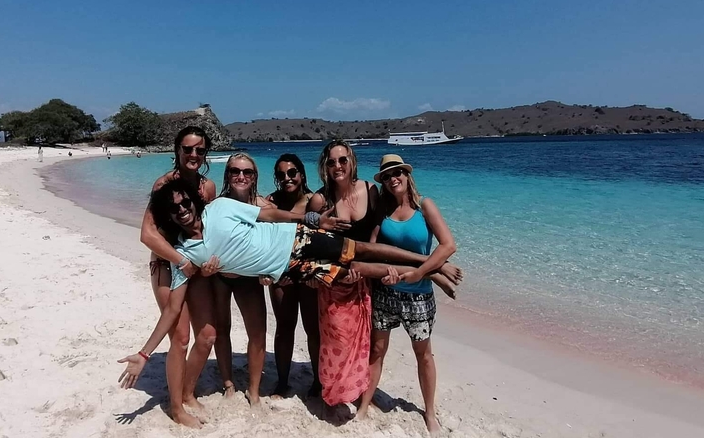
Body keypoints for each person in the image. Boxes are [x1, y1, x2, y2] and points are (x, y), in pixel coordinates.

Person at [117, 179, 462, 391]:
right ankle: (432, 270)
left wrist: (312, 219)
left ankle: (428, 264)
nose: (182, 210)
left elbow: (267, 215)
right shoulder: (185, 255)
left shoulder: (219, 207)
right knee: (353, 268)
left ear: (194, 201)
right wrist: (145, 353)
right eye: (174, 209)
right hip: (289, 271)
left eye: (185, 203)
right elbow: (173, 309)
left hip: (296, 239)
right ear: (169, 216)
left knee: (360, 249)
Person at [356, 155, 457, 432]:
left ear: (407, 175)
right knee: (377, 351)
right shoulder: (382, 211)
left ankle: (430, 412)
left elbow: (447, 246)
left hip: (419, 297)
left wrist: (421, 273)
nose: (393, 179)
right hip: (386, 294)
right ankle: (364, 406)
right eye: (387, 176)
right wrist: (383, 274)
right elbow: (373, 250)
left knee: (423, 354)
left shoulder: (425, 206)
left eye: (397, 172)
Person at [137, 126, 218, 428]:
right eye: (188, 149)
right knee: (181, 338)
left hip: (194, 269)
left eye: (199, 150)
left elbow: (208, 229)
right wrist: (180, 260)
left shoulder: (206, 188)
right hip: (165, 267)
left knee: (207, 335)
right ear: (177, 151)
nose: (194, 154)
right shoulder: (163, 185)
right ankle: (176, 408)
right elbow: (147, 234)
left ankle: (187, 391)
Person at [306, 140, 381, 410]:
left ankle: (357, 389)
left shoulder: (371, 190)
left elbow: (376, 231)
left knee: (364, 339)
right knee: (336, 340)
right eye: (331, 162)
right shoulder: (321, 199)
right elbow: (307, 241)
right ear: (324, 167)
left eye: (342, 160)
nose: (337, 166)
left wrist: (369, 267)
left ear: (352, 162)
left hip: (365, 279)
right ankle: (334, 391)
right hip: (334, 282)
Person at [205, 153, 270, 405]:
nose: (241, 176)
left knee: (258, 333)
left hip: (248, 278)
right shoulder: (216, 205)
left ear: (255, 177)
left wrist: (268, 271)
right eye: (235, 171)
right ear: (227, 175)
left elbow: (273, 244)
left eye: (247, 172)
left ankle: (253, 390)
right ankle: (228, 382)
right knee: (222, 329)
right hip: (219, 276)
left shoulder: (263, 207)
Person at [267, 153, 321, 397]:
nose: (287, 178)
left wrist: (314, 272)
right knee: (284, 327)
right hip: (282, 275)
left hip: (309, 275)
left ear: (301, 174)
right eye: (281, 174)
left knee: (313, 328)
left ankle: (319, 381)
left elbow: (324, 241)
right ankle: (282, 381)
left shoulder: (315, 201)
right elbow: (264, 240)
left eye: (292, 173)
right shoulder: (271, 202)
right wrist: (273, 272)